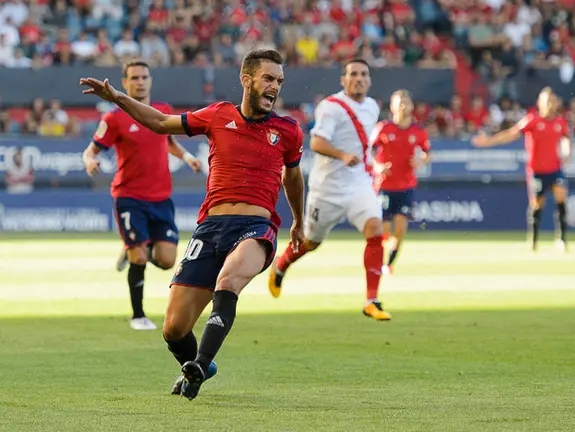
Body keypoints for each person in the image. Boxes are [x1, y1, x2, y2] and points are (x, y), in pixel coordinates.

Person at [79, 49, 306, 400]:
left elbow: (292, 178)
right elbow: (159, 122)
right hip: (210, 228)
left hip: (255, 227)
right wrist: (117, 97)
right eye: (268, 78)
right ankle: (199, 365)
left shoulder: (288, 130)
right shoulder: (218, 115)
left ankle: (199, 364)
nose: (275, 86)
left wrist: (299, 221)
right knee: (173, 329)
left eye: (279, 80)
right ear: (246, 80)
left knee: (228, 280)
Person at [82, 59, 202, 331]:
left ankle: (133, 248)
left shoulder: (162, 110)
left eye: (144, 77)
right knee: (139, 258)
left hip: (161, 198)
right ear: (124, 83)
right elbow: (92, 149)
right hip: (130, 197)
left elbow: (168, 140)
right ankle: (138, 316)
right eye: (134, 78)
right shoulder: (114, 118)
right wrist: (89, 161)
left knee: (167, 260)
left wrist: (187, 157)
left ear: (150, 80)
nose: (140, 82)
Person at [267, 59, 391, 321]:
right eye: (353, 74)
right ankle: (281, 264)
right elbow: (317, 142)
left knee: (375, 230)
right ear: (343, 80)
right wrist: (342, 155)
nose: (359, 78)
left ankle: (371, 301)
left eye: (363, 74)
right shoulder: (331, 107)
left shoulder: (371, 106)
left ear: (369, 80)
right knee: (311, 242)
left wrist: (374, 165)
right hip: (327, 190)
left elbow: (364, 146)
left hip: (358, 185)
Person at [472, 87, 572, 252]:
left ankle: (561, 239)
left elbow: (566, 138)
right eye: (547, 100)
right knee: (537, 204)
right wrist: (489, 141)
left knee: (561, 194)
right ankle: (533, 241)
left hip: (555, 168)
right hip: (537, 171)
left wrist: (567, 152)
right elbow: (512, 133)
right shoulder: (532, 120)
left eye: (552, 100)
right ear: (540, 103)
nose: (550, 104)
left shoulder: (560, 122)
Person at [370, 89, 431, 274]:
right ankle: (379, 258)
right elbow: (369, 150)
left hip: (406, 186)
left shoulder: (418, 131)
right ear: (392, 107)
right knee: (383, 228)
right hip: (384, 186)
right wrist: (377, 166)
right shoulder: (383, 128)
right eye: (400, 102)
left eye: (407, 102)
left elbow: (428, 153)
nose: (404, 106)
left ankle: (388, 264)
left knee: (401, 228)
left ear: (412, 106)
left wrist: (420, 161)